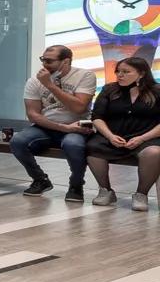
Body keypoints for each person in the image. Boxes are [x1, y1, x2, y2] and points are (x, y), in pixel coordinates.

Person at [10, 43, 94, 201]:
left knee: (73, 145)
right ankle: (40, 179)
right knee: (18, 140)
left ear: (66, 62)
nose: (44, 64)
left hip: (77, 126)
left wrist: (50, 85)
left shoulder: (85, 76)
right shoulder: (34, 81)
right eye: (43, 60)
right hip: (46, 127)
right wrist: (63, 128)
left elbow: (78, 108)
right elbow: (33, 115)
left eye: (49, 61)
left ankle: (76, 185)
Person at [85, 55, 160, 209]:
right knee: (92, 147)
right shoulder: (109, 89)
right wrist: (110, 136)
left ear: (142, 73)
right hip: (113, 136)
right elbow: (97, 117)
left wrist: (142, 138)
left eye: (126, 72)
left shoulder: (157, 91)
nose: (120, 75)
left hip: (146, 136)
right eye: (118, 71)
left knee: (153, 152)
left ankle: (141, 194)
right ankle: (106, 190)